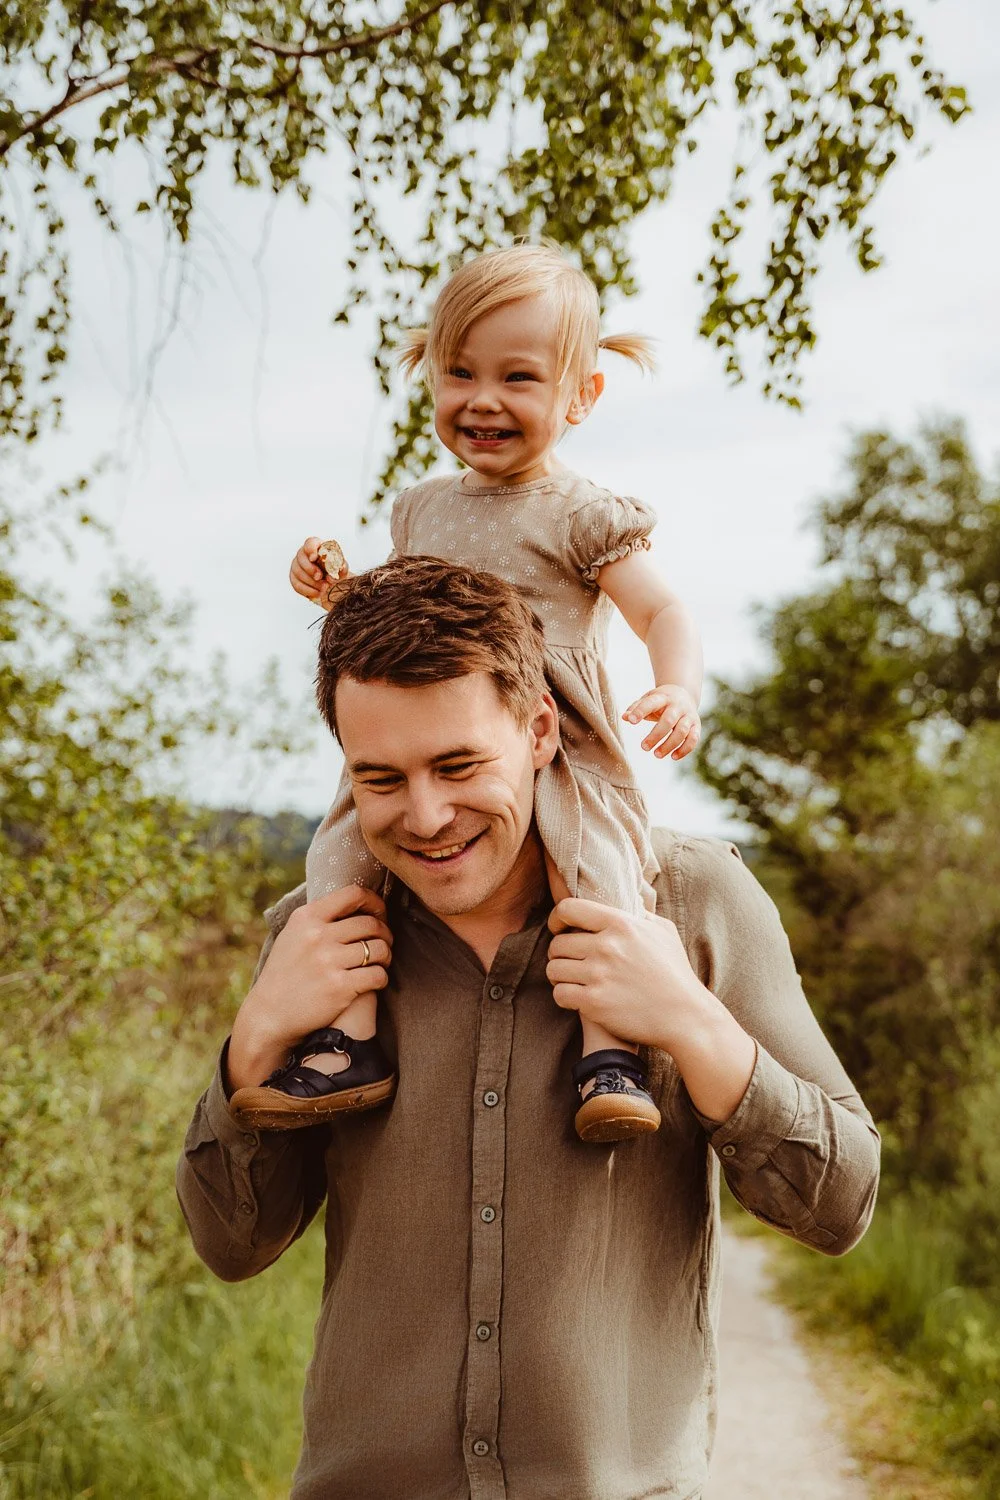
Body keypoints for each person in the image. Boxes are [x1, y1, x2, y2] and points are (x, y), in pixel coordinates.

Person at [176, 556, 880, 1500]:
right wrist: (251, 1045)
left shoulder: (696, 901)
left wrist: (690, 1024)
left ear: (542, 728)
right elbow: (233, 1246)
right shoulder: (318, 935)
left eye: (459, 765)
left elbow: (841, 1207)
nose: (425, 816)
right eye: (379, 778)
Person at [275, 241, 704, 1142]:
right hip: (441, 744)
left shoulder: (581, 514)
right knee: (336, 862)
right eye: (458, 371)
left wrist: (678, 687)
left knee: (596, 870)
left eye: (518, 378)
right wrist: (342, 586)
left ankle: (609, 1054)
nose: (482, 400)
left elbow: (662, 609)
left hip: (560, 737)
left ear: (580, 396)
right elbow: (409, 629)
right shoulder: (422, 510)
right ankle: (346, 1042)